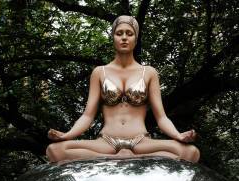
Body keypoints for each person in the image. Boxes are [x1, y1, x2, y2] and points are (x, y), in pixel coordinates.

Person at [46, 15, 199, 163]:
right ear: (113, 37)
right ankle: (121, 158)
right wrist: (67, 135)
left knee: (190, 152)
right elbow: (87, 116)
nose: (124, 37)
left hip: (141, 141)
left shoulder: (149, 72)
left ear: (136, 38)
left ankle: (124, 157)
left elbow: (161, 118)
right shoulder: (100, 72)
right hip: (106, 142)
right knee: (55, 149)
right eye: (119, 33)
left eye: (129, 33)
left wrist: (178, 136)